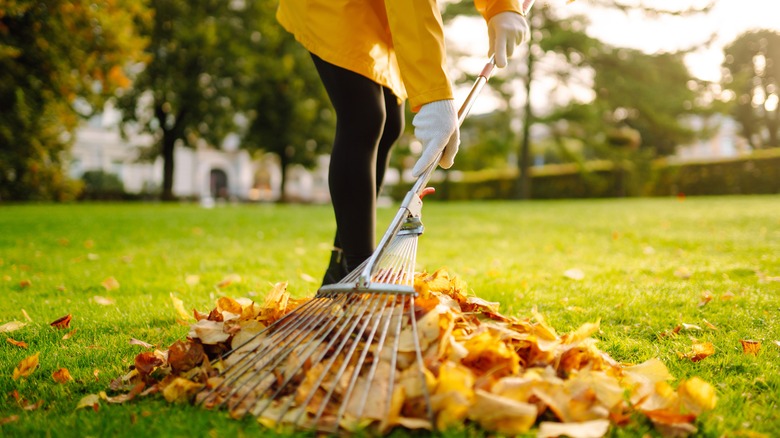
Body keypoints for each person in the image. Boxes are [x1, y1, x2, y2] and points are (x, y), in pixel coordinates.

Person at [275, 0, 535, 286]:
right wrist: (434, 97)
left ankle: (341, 267)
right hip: (340, 7)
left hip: (378, 12)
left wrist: (502, 7)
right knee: (364, 117)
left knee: (389, 126)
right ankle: (361, 270)